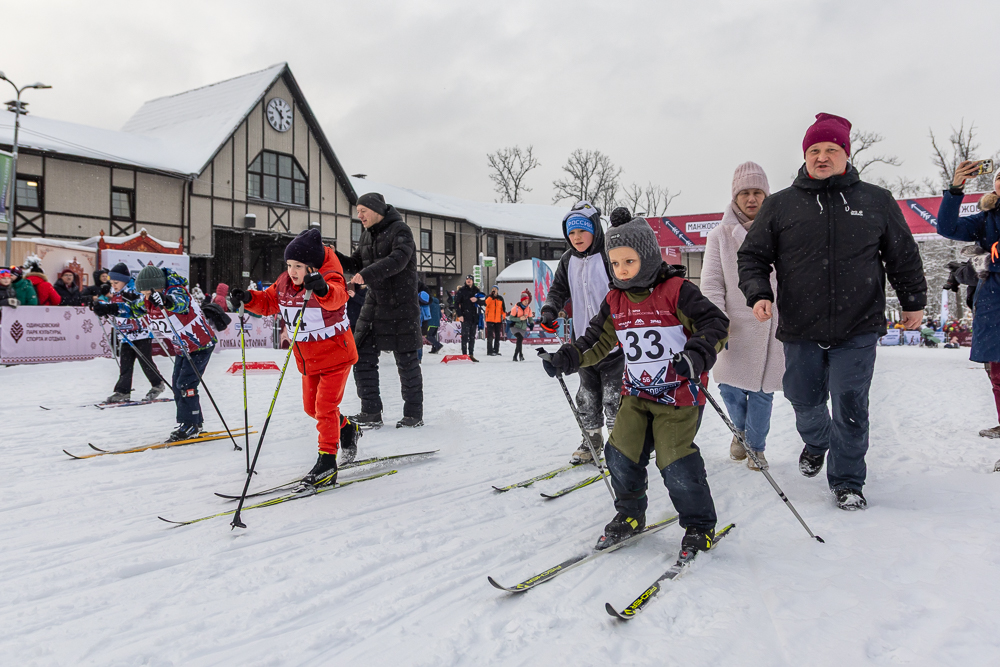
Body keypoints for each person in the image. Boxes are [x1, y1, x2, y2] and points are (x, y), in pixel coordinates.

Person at [738, 112, 927, 511]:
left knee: (851, 405)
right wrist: (757, 293)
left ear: (846, 153)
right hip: (800, 326)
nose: (822, 157)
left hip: (858, 325)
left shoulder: (875, 200)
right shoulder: (780, 205)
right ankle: (817, 439)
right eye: (814, 150)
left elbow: (903, 256)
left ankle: (847, 482)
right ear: (805, 155)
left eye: (831, 149)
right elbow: (752, 256)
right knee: (803, 398)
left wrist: (914, 301)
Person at [541, 216, 728, 553]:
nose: (622, 270)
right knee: (620, 454)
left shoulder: (677, 291)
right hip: (637, 395)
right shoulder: (615, 300)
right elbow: (595, 340)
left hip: (679, 396)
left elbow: (714, 323)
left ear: (648, 257)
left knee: (674, 461)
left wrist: (696, 356)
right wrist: (566, 358)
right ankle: (629, 515)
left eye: (629, 261)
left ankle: (699, 526)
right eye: (615, 263)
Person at [230, 228, 360, 478]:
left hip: (336, 356)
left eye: (298, 265)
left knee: (325, 406)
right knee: (312, 408)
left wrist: (322, 289)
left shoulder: (331, 276)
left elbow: (337, 297)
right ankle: (347, 429)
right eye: (289, 265)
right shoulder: (284, 283)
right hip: (308, 359)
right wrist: (247, 298)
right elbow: (268, 302)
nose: (292, 271)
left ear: (311, 266)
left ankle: (327, 460)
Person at [700, 162, 784, 471]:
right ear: (735, 197)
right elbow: (711, 282)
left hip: (769, 324)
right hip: (732, 327)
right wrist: (717, 321)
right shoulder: (719, 236)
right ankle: (741, 432)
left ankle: (755, 448)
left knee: (762, 393)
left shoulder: (780, 231)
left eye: (757, 192)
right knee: (730, 388)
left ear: (766, 195)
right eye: (744, 193)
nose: (751, 199)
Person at [95, 264, 219, 443]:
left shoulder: (177, 291)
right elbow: (133, 309)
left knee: (185, 384)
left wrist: (166, 300)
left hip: (200, 344)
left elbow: (180, 304)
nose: (145, 297)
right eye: (143, 294)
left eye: (146, 293)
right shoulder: (148, 299)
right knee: (177, 385)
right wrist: (109, 309)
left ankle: (189, 423)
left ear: (156, 287)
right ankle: (195, 422)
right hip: (182, 347)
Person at [541, 200, 624, 464]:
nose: (576, 238)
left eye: (582, 231)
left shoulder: (609, 254)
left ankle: (621, 444)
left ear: (595, 230)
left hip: (614, 341)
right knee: (587, 396)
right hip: (583, 342)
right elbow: (557, 290)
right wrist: (549, 310)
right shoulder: (567, 260)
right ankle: (591, 441)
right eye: (571, 232)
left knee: (615, 397)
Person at [336, 192, 423, 429]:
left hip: (401, 306)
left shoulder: (401, 230)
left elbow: (399, 260)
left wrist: (366, 274)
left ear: (376, 209)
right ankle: (371, 411)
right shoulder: (366, 235)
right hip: (373, 304)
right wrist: (333, 256)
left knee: (406, 361)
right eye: (357, 212)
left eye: (363, 210)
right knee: (360, 354)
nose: (359, 215)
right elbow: (356, 262)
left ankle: (413, 414)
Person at [935, 160, 1000, 438]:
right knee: (997, 375)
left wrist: (987, 262)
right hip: (993, 304)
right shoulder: (988, 216)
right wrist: (956, 188)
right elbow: (947, 228)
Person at [98, 262, 166, 404]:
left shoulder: (135, 289)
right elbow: (116, 308)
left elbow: (143, 305)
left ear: (125, 280)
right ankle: (122, 391)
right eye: (112, 282)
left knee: (145, 361)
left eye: (116, 282)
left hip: (141, 333)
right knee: (125, 364)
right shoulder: (116, 292)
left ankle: (157, 384)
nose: (114, 285)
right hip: (125, 334)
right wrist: (101, 307)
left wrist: (135, 300)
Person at [454, 275, 481, 361]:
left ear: (473, 281)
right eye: (467, 279)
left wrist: (477, 300)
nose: (468, 281)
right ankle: (464, 354)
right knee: (465, 336)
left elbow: (483, 301)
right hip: (465, 316)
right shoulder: (462, 291)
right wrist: (460, 315)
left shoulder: (476, 290)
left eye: (470, 279)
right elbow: (456, 303)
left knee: (472, 336)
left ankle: (471, 354)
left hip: (474, 316)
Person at [508, 290, 533, 361]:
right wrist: (519, 319)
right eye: (525, 300)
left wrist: (531, 324)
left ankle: (520, 355)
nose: (526, 302)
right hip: (515, 326)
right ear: (521, 301)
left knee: (520, 341)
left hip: (522, 327)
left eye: (527, 300)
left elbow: (530, 318)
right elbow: (511, 318)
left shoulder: (528, 309)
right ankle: (515, 356)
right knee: (519, 338)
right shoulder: (515, 308)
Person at [484, 286, 506, 356]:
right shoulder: (488, 297)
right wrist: (491, 296)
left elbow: (503, 309)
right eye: (493, 289)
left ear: (497, 290)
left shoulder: (500, 298)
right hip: (490, 319)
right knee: (490, 336)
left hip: (498, 320)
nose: (494, 290)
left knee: (497, 336)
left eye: (495, 289)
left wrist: (503, 317)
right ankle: (489, 351)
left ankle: (496, 350)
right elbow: (486, 304)